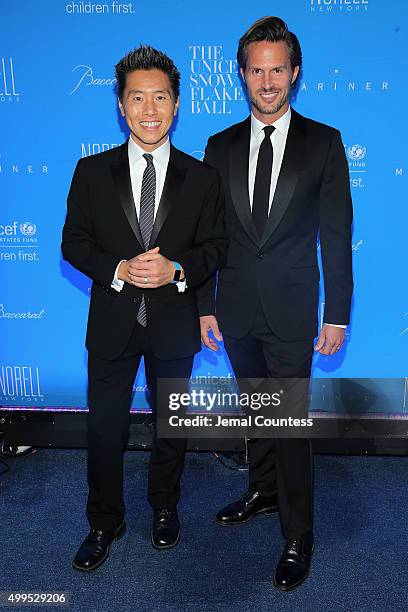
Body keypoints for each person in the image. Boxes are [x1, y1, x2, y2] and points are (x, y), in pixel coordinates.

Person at [199, 16, 353, 591]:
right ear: (242, 74)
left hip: (292, 311)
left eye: (278, 70)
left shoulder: (325, 143)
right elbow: (208, 235)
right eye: (257, 70)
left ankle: (298, 533)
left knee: (288, 422)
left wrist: (336, 314)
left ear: (295, 73)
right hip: (234, 308)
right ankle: (262, 491)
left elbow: (336, 236)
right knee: (257, 411)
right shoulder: (219, 146)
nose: (268, 81)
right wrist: (204, 305)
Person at [62, 45, 226, 571]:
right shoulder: (91, 171)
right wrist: (118, 269)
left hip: (174, 327)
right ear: (121, 105)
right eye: (138, 98)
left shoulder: (201, 177)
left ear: (176, 105)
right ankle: (103, 521)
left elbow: (215, 247)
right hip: (112, 324)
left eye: (160, 97)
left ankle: (164, 509)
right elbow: (74, 243)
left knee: (170, 428)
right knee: (104, 428)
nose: (149, 109)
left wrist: (177, 269)